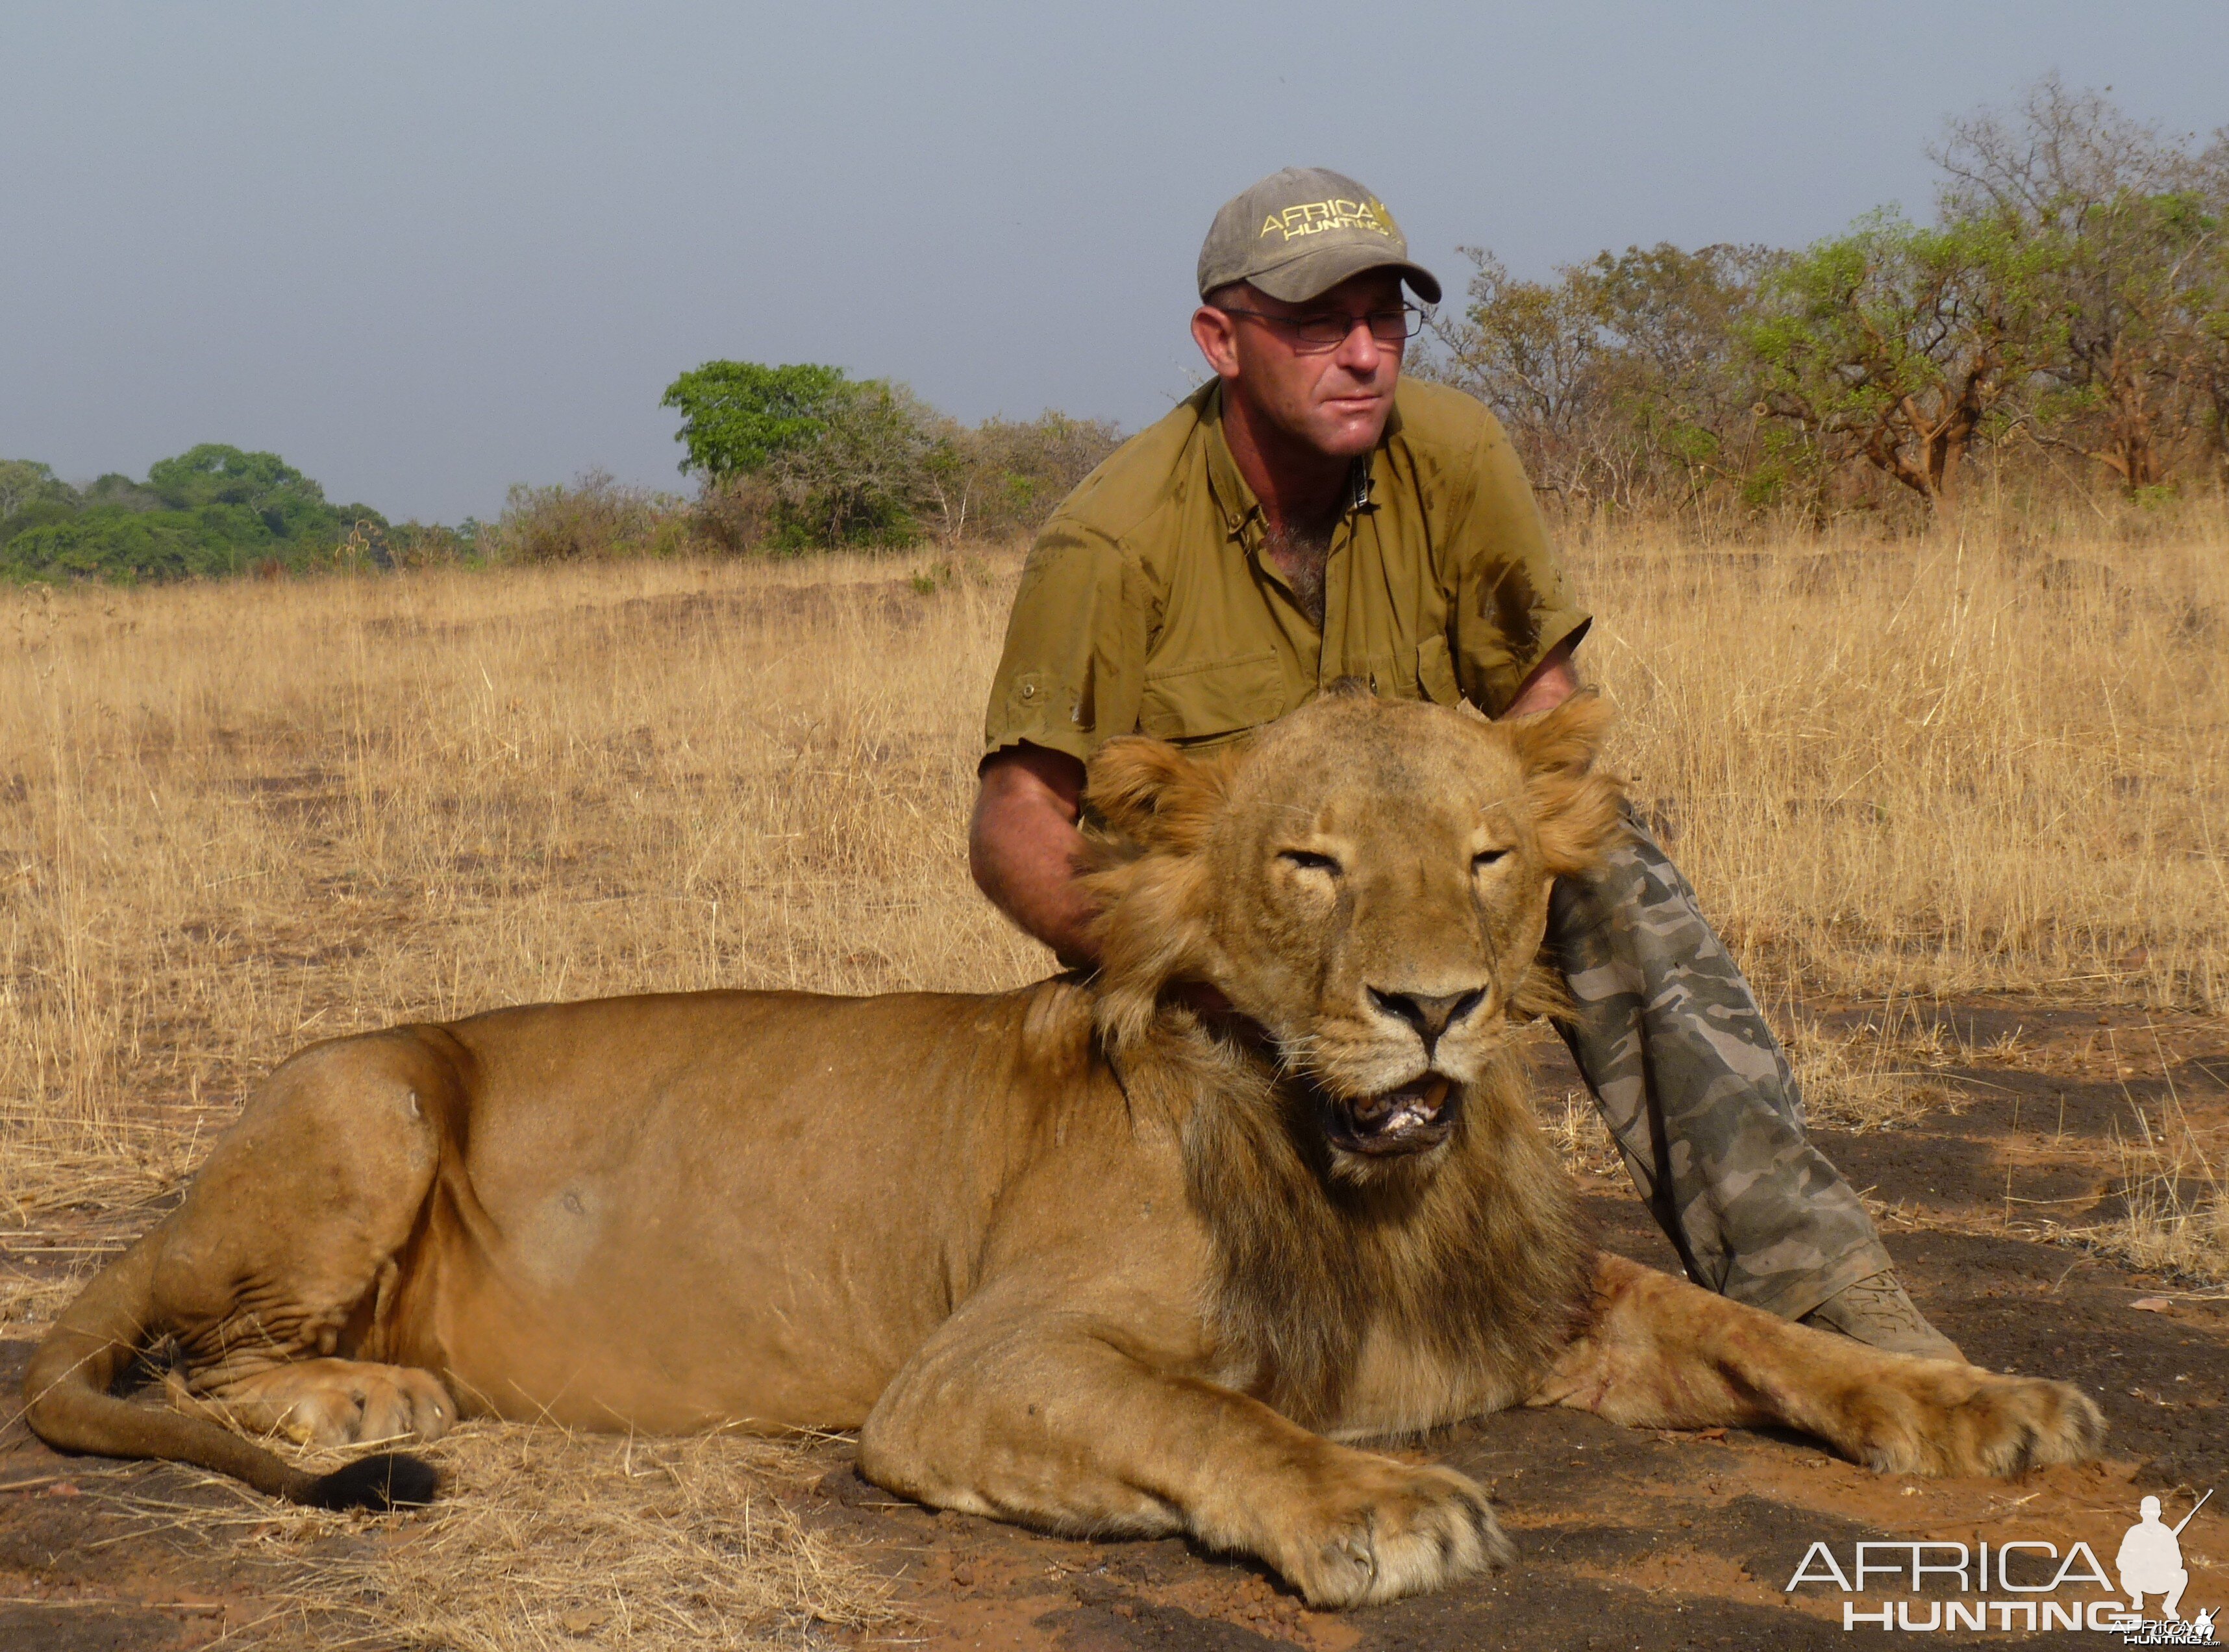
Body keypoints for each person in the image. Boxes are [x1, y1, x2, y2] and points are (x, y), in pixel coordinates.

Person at [967, 166, 1957, 1358]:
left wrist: (1499, 894)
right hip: (1241, 943)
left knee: (1615, 869)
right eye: (1316, 325)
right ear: (1219, 342)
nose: (1362, 355)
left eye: (1384, 318)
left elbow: (1546, 724)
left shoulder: (1454, 454)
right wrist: (1201, 967)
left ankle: (1810, 1278)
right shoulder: (1113, 538)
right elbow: (1017, 820)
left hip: (1427, 896)